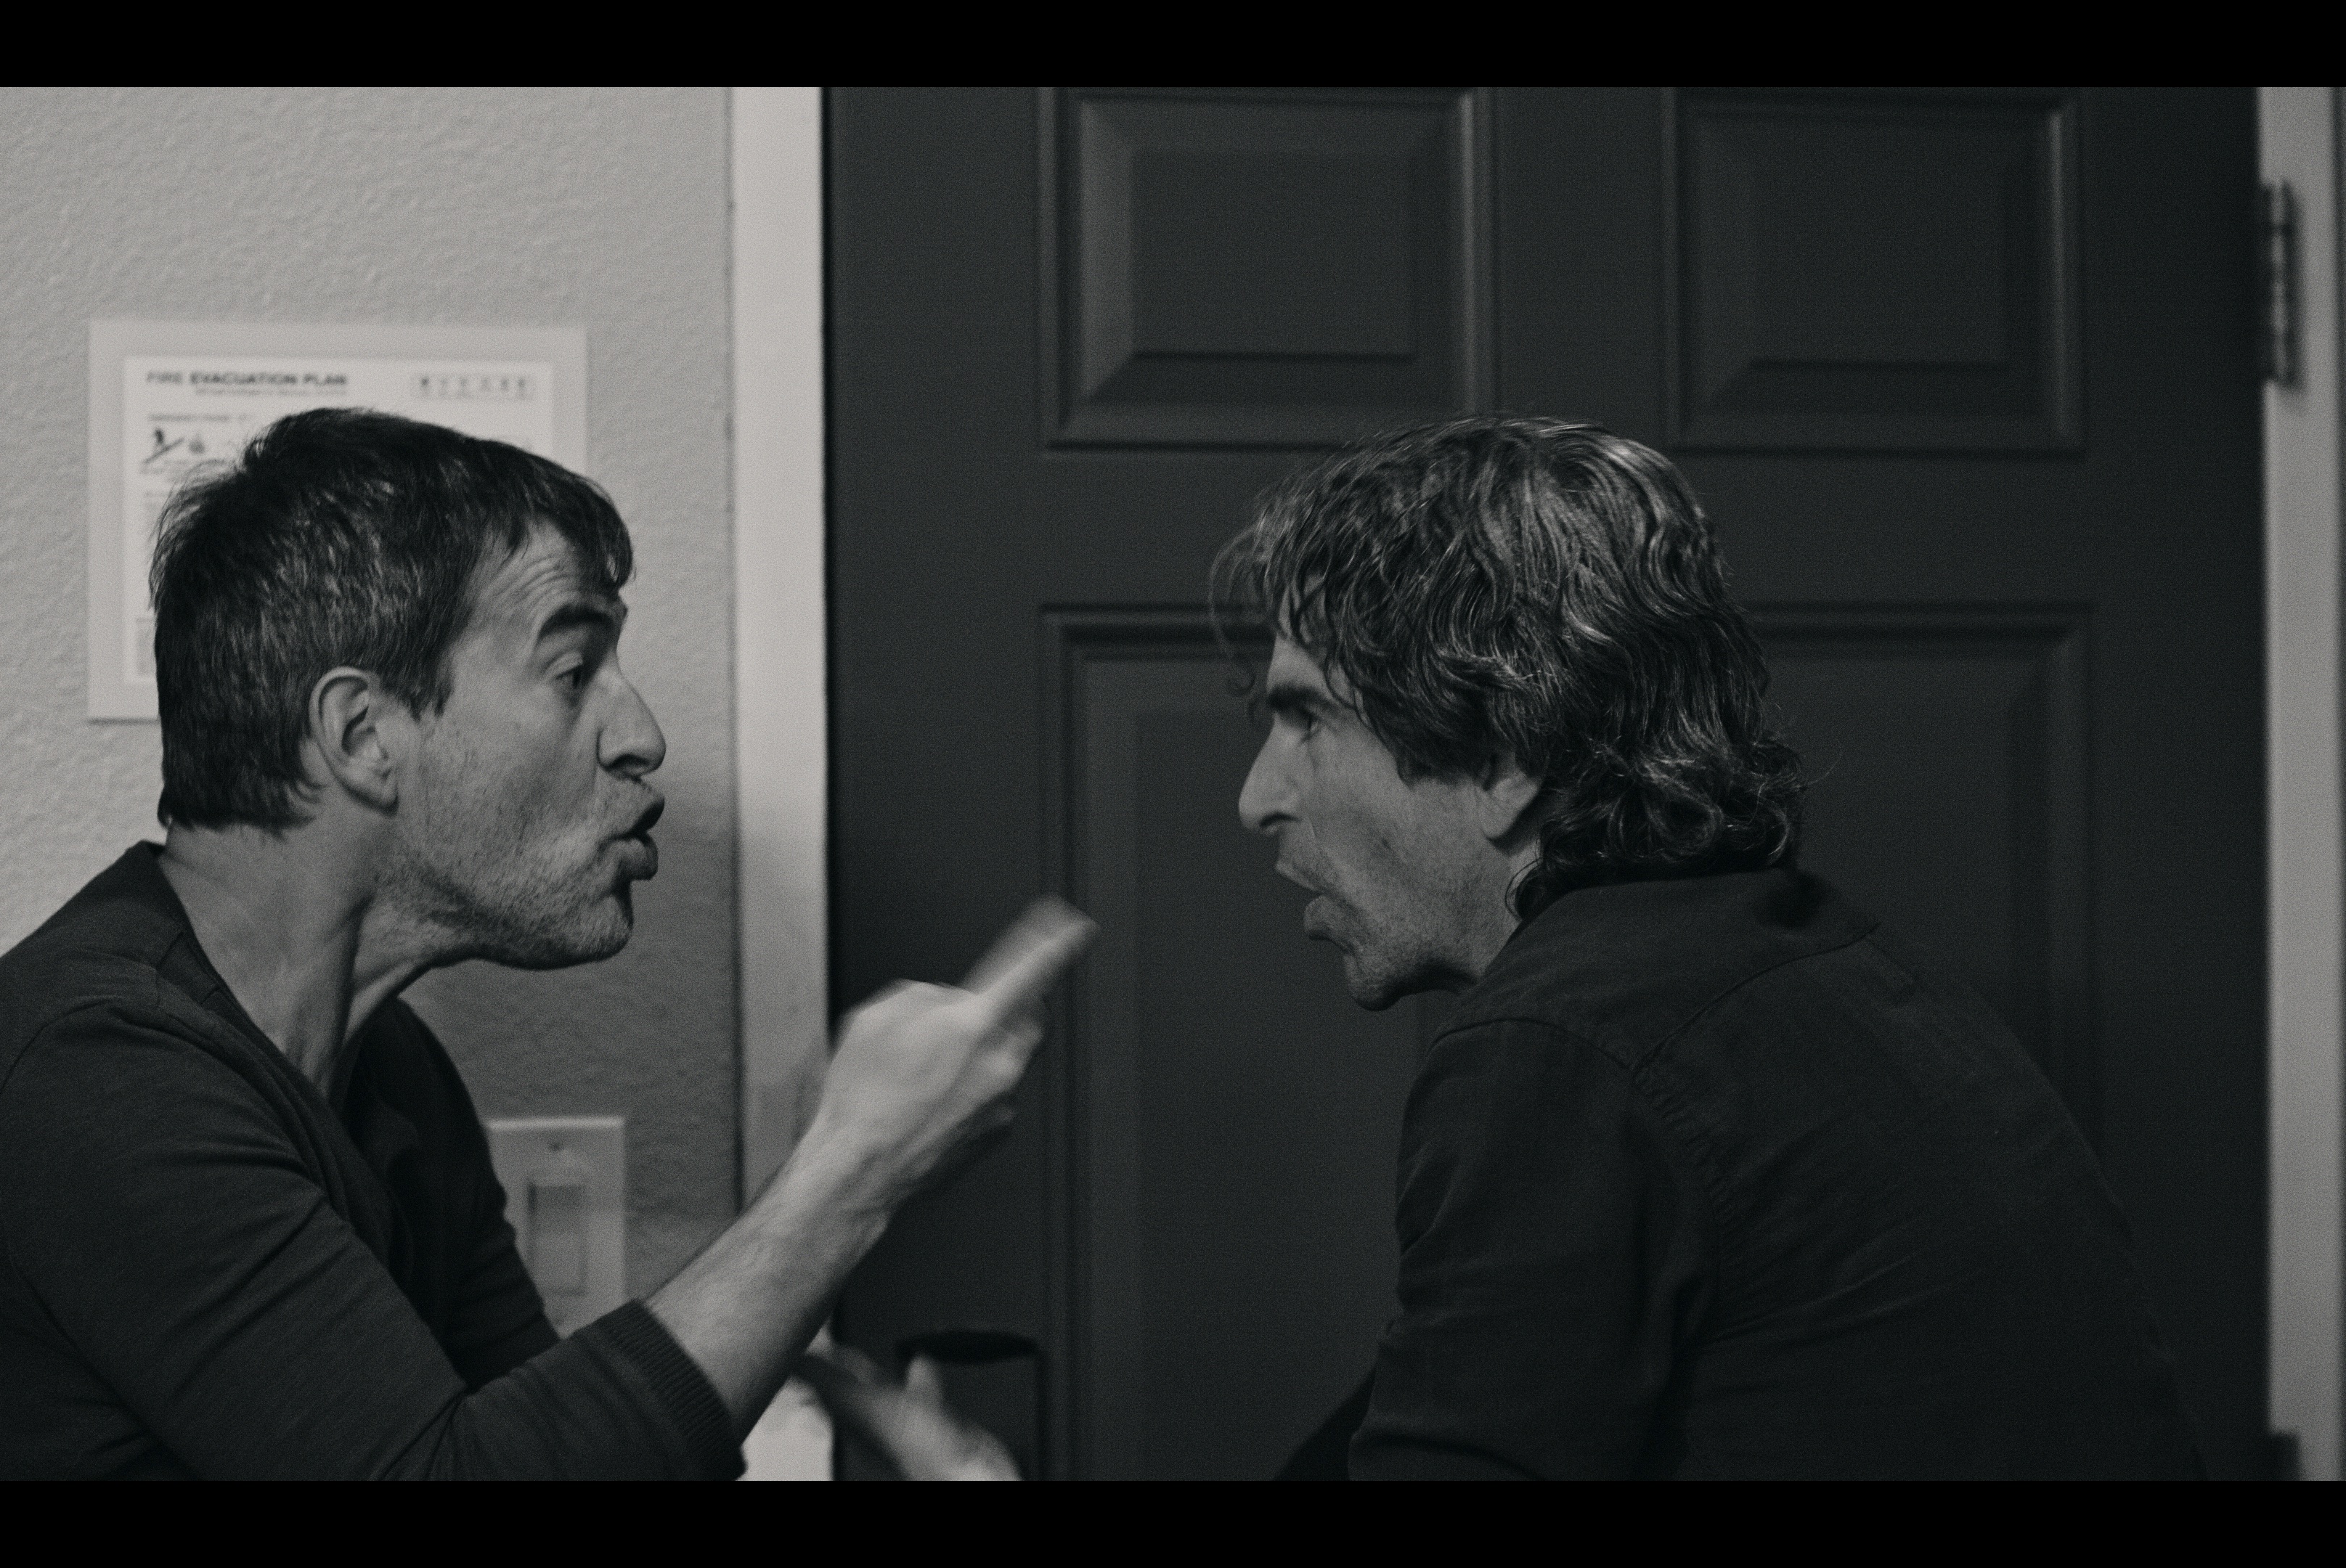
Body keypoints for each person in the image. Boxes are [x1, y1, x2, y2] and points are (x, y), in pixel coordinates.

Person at [813, 415, 2203, 1480]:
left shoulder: (1565, 1048)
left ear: (1507, 751)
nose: (1258, 797)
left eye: (1307, 718)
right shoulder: (1814, 969)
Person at [0, 409, 1090, 1479]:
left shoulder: (390, 1076)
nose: (641, 736)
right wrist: (847, 1178)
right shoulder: (93, 1071)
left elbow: (521, 1446)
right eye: (573, 672)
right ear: (364, 737)